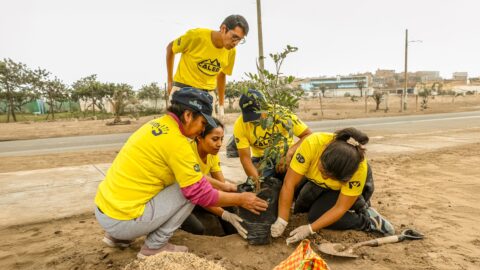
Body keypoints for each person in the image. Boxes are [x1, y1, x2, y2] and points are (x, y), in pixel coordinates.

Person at [94, 87, 268, 259]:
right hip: (121, 220)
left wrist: (225, 187)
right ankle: (155, 246)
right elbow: (199, 193)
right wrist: (242, 199)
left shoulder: (156, 125)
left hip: (106, 210)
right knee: (190, 190)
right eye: (203, 123)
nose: (202, 129)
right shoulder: (178, 143)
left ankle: (118, 238)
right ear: (188, 115)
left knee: (179, 181)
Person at [270, 128, 395, 245]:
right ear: (322, 153)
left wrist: (310, 229)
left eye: (331, 177)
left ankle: (368, 221)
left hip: (344, 191)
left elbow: (340, 207)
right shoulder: (313, 144)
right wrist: (282, 220)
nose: (324, 177)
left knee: (316, 216)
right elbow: (289, 183)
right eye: (323, 171)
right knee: (300, 208)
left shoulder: (358, 170)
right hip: (315, 182)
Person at [166, 14, 249, 119]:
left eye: (240, 40)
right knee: (179, 132)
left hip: (207, 96)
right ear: (223, 29)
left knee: (210, 133)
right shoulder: (196, 36)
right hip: (183, 91)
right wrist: (170, 81)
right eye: (234, 37)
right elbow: (170, 48)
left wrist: (221, 105)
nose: (235, 43)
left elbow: (222, 75)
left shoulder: (231, 51)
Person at [181, 118, 246, 238]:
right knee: (197, 228)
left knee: (230, 204)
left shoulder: (212, 154)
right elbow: (197, 185)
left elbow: (221, 183)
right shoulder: (187, 153)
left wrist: (237, 193)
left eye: (221, 139)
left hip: (198, 195)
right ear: (199, 138)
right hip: (182, 199)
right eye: (215, 139)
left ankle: (231, 236)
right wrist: (224, 214)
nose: (220, 144)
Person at [233, 89, 312, 181]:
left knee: (297, 181)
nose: (254, 121)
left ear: (266, 107)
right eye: (250, 117)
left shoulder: (282, 114)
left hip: (286, 154)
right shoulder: (240, 125)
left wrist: (289, 153)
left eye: (257, 116)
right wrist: (257, 181)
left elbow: (308, 135)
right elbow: (245, 158)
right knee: (261, 184)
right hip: (261, 159)